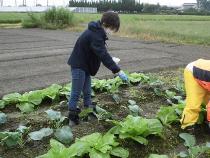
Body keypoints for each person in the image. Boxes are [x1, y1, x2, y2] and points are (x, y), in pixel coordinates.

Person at [67, 11, 128, 126]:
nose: (112, 31)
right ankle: (72, 117)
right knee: (76, 92)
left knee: (87, 91)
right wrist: (118, 70)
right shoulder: (95, 34)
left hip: (84, 65)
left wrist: (111, 60)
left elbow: (100, 52)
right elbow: (102, 54)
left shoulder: (97, 32)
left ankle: (88, 109)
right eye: (112, 28)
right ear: (105, 24)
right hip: (79, 66)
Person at [181, 59, 210, 130]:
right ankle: (187, 126)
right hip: (193, 73)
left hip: (206, 78)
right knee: (193, 104)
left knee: (207, 100)